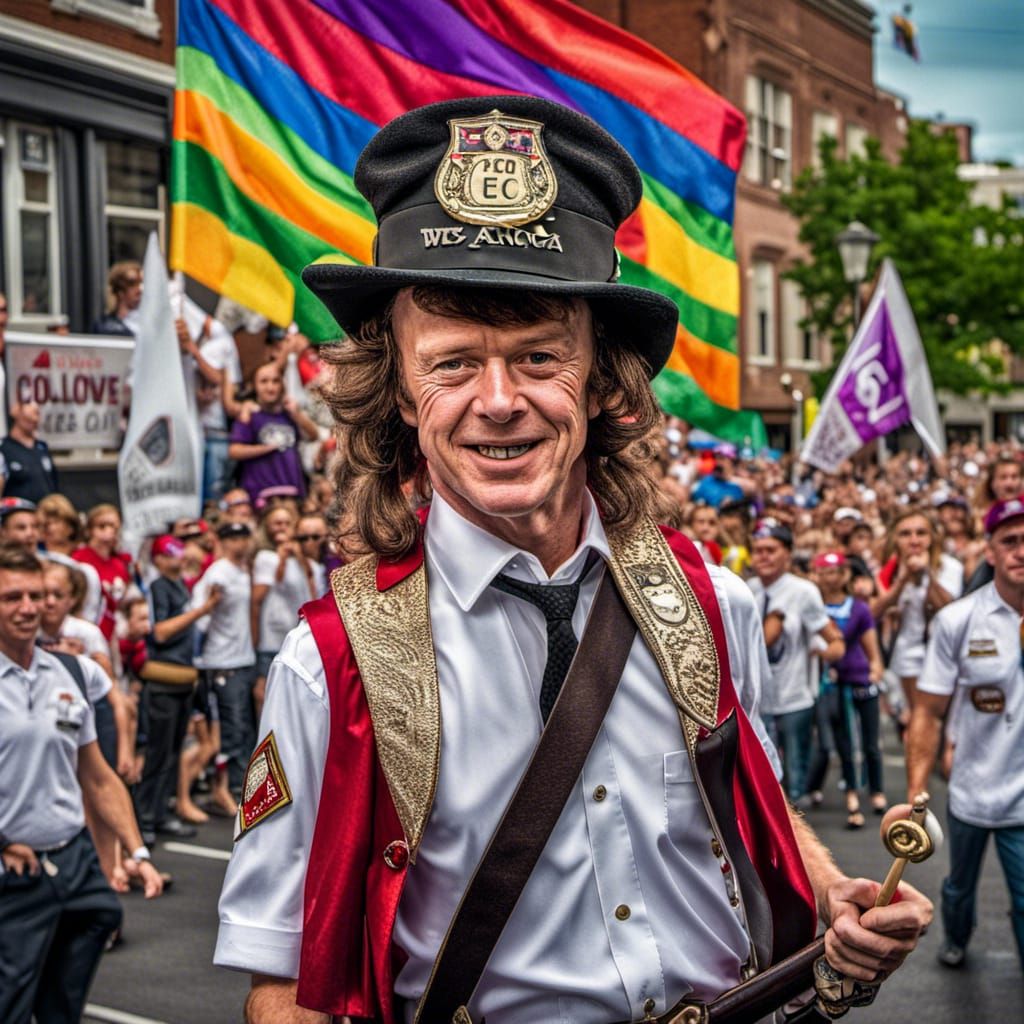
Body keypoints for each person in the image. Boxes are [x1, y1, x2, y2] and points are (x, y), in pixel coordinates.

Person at [215, 96, 929, 1023]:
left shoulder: (715, 602)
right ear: (396, 389)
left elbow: (747, 806)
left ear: (600, 382)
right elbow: (285, 988)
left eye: (540, 356)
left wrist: (831, 893)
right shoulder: (331, 662)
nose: (500, 400)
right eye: (454, 363)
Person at [0, 546, 163, 1023]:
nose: (29, 606)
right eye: (12, 597)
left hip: (71, 860)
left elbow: (97, 776)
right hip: (14, 871)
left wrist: (139, 854)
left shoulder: (69, 672)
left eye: (36, 595)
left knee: (98, 921)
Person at [908, 495, 1024, 970]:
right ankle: (956, 937)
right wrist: (915, 796)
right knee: (958, 885)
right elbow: (928, 713)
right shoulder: (958, 620)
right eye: (1010, 541)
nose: (1021, 550)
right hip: (972, 791)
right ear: (990, 551)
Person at [748, 519, 845, 805]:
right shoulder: (745, 588)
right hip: (758, 698)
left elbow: (832, 637)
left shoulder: (803, 592)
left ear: (788, 554)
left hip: (794, 698)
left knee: (793, 777)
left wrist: (829, 652)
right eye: (758, 550)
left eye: (771, 550)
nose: (763, 556)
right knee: (763, 777)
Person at [136, 534, 222, 844]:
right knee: (159, 753)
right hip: (163, 680)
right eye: (170, 553)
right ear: (158, 560)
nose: (179, 556)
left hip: (181, 680)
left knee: (172, 752)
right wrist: (204, 610)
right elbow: (160, 632)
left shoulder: (178, 586)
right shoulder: (159, 586)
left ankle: (160, 814)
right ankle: (145, 819)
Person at [806, 552, 886, 828]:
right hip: (829, 685)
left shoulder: (859, 608)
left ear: (844, 575)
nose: (829, 577)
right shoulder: (812, 606)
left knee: (871, 742)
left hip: (860, 680)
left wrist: (876, 667)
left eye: (835, 571)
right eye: (824, 571)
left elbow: (871, 647)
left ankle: (876, 791)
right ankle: (852, 794)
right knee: (843, 742)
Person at [872, 509, 962, 723]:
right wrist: (902, 580)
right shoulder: (888, 570)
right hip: (905, 656)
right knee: (915, 720)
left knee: (941, 721)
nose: (914, 540)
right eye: (905, 534)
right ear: (895, 539)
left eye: (921, 533)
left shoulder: (949, 567)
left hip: (944, 654)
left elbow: (949, 609)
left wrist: (927, 573)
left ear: (932, 538)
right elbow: (874, 613)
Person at [192, 521, 256, 792]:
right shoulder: (218, 574)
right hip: (220, 661)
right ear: (222, 541)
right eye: (233, 538)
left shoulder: (242, 570)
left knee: (242, 726)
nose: (239, 543)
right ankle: (226, 787)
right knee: (230, 728)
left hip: (242, 658)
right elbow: (199, 615)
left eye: (243, 537)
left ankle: (236, 785)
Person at [251, 504, 325, 718]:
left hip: (298, 641)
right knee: (265, 695)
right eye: (277, 523)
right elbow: (262, 595)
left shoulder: (309, 563)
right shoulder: (266, 557)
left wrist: (299, 557)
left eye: (286, 523)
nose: (281, 528)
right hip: (271, 640)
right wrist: (282, 558)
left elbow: (313, 596)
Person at [228, 361, 320, 508]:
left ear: (282, 385)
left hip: (292, 492)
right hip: (260, 494)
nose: (270, 387)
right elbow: (234, 451)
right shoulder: (250, 415)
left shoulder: (290, 415)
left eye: (275, 381)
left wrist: (297, 414)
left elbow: (313, 436)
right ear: (254, 386)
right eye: (264, 381)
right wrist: (266, 448)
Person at [37, 493, 104, 625]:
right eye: (43, 522)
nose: (48, 526)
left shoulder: (85, 568)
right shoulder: (35, 561)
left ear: (71, 527)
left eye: (55, 521)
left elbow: (89, 613)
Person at [73, 504, 134, 643]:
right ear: (89, 530)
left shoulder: (120, 565)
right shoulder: (79, 559)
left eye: (114, 527)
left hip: (111, 636)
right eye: (102, 526)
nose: (108, 532)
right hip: (85, 633)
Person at [0, 401, 58, 503]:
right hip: (15, 513)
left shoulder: (42, 448)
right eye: (28, 417)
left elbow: (54, 484)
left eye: (37, 414)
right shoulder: (4, 448)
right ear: (16, 412)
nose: (34, 419)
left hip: (45, 513)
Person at [92, 261, 142, 336]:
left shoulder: (152, 323)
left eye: (141, 283)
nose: (139, 290)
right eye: (132, 284)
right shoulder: (105, 327)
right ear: (119, 291)